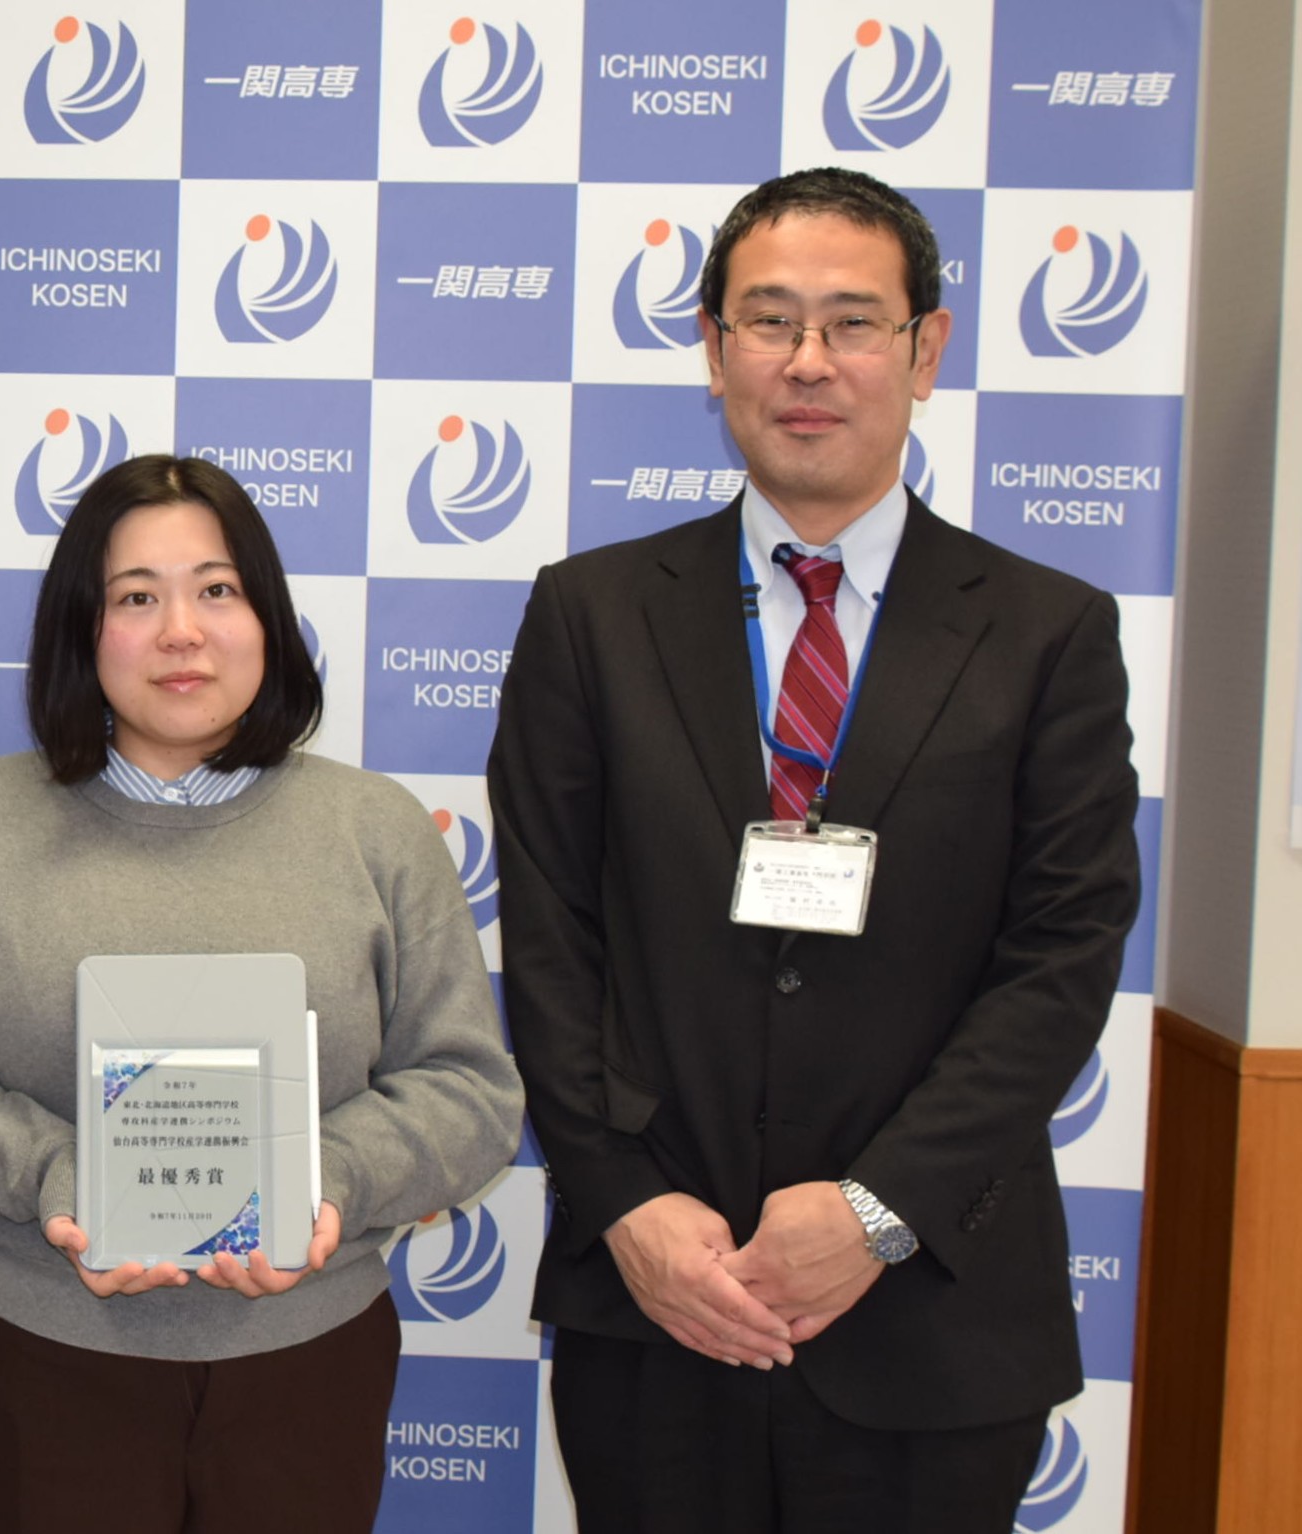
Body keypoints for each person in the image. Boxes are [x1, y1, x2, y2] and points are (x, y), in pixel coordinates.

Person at [487, 166, 1142, 1533]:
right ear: (714, 346)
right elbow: (549, 940)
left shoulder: (1048, 632)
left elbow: (1062, 956)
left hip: (933, 1310)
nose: (807, 361)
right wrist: (623, 1203)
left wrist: (878, 1210)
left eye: (852, 322)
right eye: (769, 320)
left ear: (925, 349)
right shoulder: (591, 615)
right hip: (663, 1297)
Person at [0, 454, 523, 1533]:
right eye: (136, 598)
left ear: (267, 618)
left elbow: (469, 1087)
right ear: (82, 629)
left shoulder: (376, 829)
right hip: (50, 1357)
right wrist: (60, 1177)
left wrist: (324, 1183)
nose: (181, 632)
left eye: (217, 589)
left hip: (309, 1357)